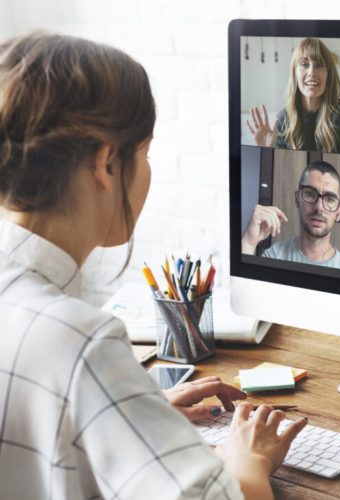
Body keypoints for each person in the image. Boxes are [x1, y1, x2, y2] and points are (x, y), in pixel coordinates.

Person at [0, 32, 306, 499]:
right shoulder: (81, 342)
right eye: (144, 153)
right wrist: (249, 461)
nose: (146, 172)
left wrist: (130, 410)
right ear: (105, 164)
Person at [246, 37, 340, 155]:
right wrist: (267, 151)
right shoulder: (283, 120)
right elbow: (280, 171)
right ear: (294, 74)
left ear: (328, 74)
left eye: (319, 65)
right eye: (304, 64)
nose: (311, 72)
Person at [242, 160, 340, 271]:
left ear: (339, 212)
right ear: (297, 198)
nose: (319, 207)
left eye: (329, 199)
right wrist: (248, 242)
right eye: (310, 193)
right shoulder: (274, 256)